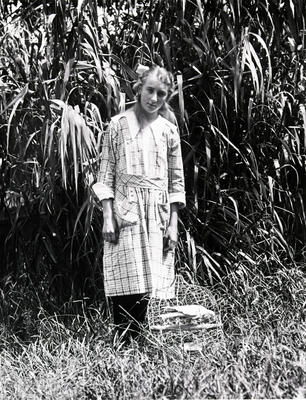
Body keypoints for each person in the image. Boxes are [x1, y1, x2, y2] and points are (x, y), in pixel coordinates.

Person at [92, 65, 186, 343]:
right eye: (149, 91)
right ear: (138, 89)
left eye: (161, 94)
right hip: (125, 210)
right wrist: (108, 216)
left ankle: (146, 346)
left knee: (151, 283)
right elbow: (105, 175)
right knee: (125, 280)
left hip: (157, 213)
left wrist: (173, 225)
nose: (154, 98)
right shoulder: (117, 126)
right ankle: (123, 343)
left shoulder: (169, 131)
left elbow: (176, 183)